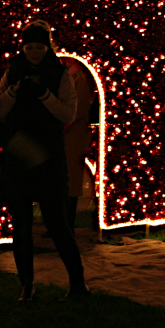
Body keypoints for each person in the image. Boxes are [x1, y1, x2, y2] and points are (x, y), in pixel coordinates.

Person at [0, 20, 90, 302]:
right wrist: (14, 91)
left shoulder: (60, 73)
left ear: (48, 46)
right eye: (29, 46)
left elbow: (67, 114)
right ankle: (27, 285)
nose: (34, 52)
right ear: (22, 47)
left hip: (48, 157)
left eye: (39, 46)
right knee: (20, 225)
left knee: (57, 223)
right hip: (19, 156)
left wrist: (44, 94)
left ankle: (78, 284)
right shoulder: (12, 71)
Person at [63, 58, 97, 229]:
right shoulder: (66, 76)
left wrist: (63, 124)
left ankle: (67, 223)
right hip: (68, 132)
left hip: (73, 134)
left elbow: (79, 108)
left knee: (71, 180)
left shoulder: (79, 78)